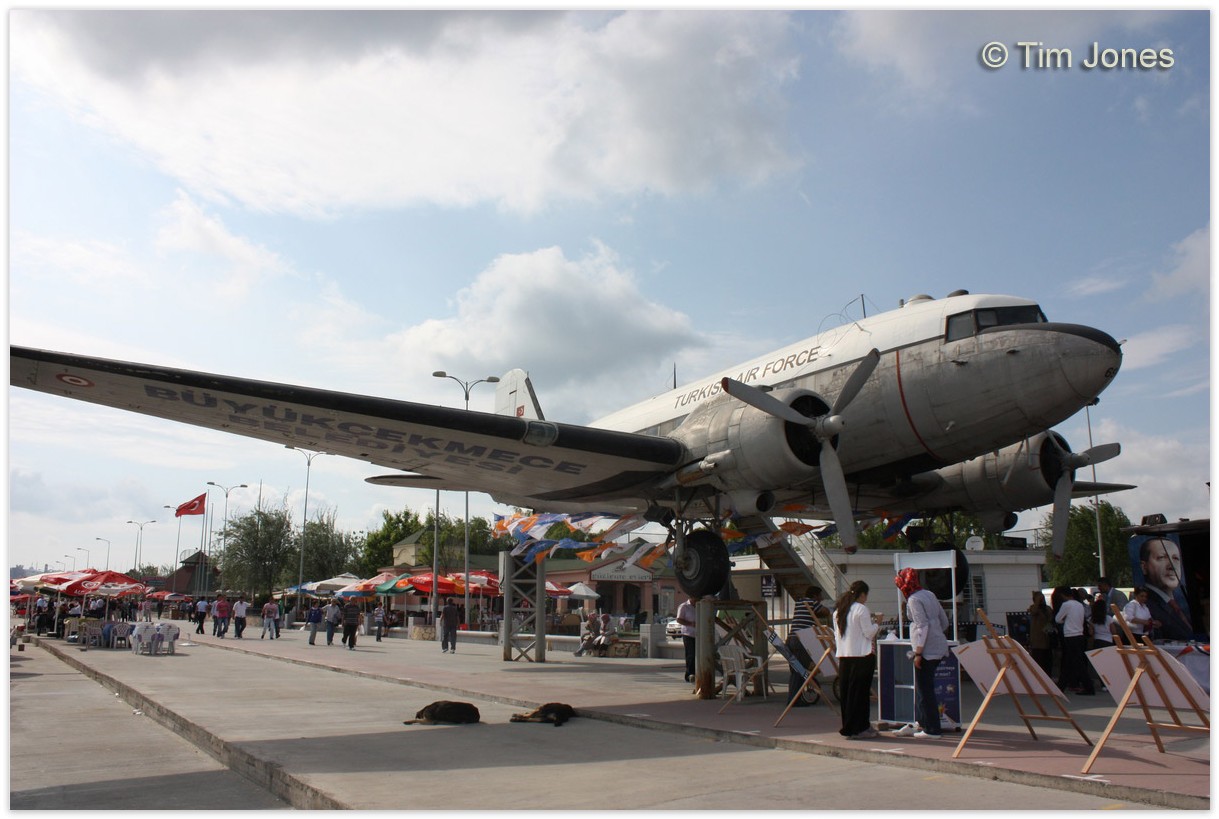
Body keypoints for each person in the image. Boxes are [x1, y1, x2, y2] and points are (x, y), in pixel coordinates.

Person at [894, 568, 949, 738]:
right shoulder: (929, 594)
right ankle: (921, 722)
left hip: (926, 650)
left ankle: (932, 729)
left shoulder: (913, 599)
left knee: (925, 691)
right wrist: (937, 633)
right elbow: (944, 621)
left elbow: (922, 625)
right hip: (938, 646)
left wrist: (918, 652)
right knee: (922, 688)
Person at [833, 580, 881, 739]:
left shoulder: (839, 610)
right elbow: (869, 633)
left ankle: (849, 726)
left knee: (847, 694)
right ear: (862, 594)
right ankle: (861, 727)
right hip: (862, 655)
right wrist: (877, 623)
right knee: (860, 694)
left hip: (844, 655)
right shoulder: (861, 609)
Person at [1139, 537, 1193, 640]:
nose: (1172, 566)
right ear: (1144, 567)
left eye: (1176, 558)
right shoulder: (1146, 606)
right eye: (1162, 557)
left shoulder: (1182, 604)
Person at [785, 584, 827, 707]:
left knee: (796, 670)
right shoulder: (812, 602)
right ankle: (794, 700)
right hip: (800, 640)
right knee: (800, 669)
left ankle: (794, 698)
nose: (821, 598)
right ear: (815, 595)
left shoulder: (800, 602)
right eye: (820, 596)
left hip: (791, 639)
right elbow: (826, 611)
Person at [1054, 586, 1093, 695]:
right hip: (1079, 634)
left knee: (1073, 661)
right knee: (1073, 661)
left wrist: (1065, 620)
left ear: (1063, 595)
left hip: (1070, 635)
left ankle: (1088, 687)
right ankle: (1061, 686)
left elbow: (1058, 619)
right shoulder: (1079, 605)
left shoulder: (1066, 605)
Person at [1027, 591, 1054, 677]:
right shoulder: (1033, 608)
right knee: (1038, 660)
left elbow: (1051, 619)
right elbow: (1033, 611)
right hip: (1037, 639)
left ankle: (1048, 676)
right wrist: (1037, 602)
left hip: (1047, 638)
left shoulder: (1048, 609)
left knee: (1047, 661)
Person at [675, 595, 698, 683]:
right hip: (688, 634)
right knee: (690, 654)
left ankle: (696, 672)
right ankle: (689, 674)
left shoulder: (699, 606)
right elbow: (679, 619)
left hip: (698, 634)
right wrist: (690, 623)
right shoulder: (684, 606)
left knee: (697, 654)